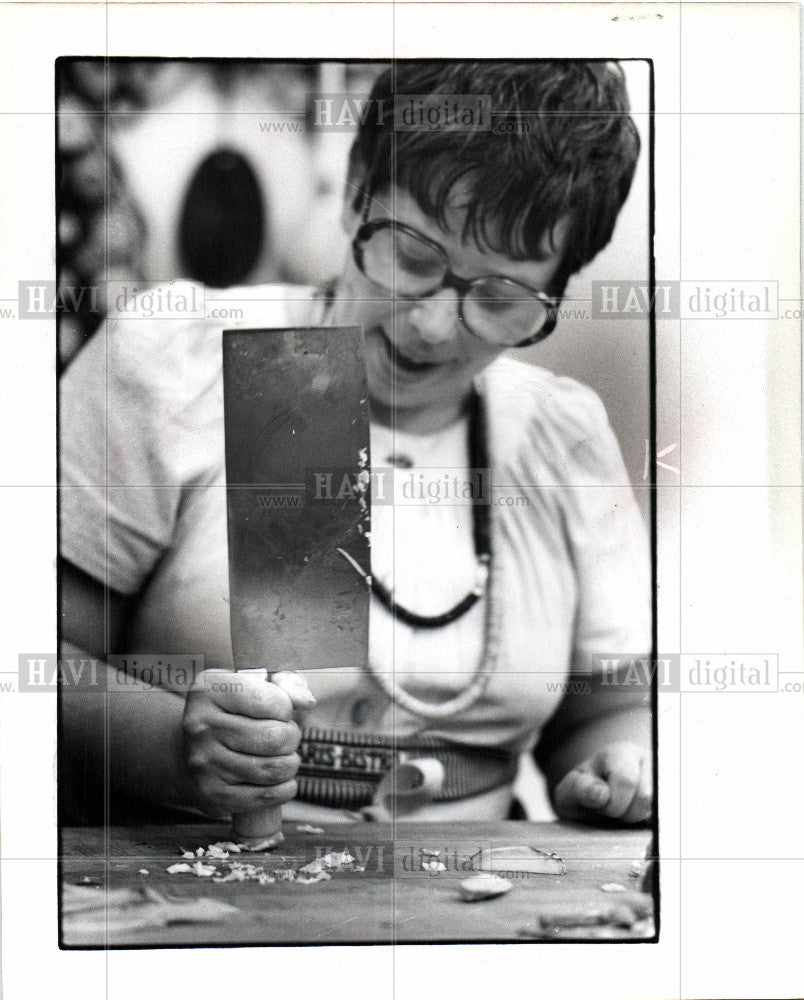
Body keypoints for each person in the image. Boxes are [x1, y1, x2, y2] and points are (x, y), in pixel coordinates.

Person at [59, 60, 652, 829]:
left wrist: (620, 766)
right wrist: (172, 744)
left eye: (501, 297)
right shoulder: (191, 359)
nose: (434, 327)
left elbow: (606, 716)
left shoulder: (560, 434)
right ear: (355, 190)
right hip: (201, 903)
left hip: (473, 907)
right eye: (411, 255)